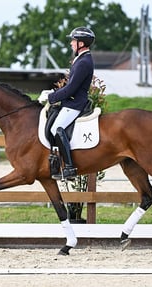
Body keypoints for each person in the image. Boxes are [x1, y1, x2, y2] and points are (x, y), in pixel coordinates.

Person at [38, 26, 95, 180]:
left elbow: (71, 89)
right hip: (70, 102)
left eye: (73, 40)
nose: (71, 43)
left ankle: (69, 167)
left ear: (81, 43)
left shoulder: (84, 62)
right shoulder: (81, 59)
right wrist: (53, 93)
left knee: (57, 128)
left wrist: (51, 97)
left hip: (75, 103)